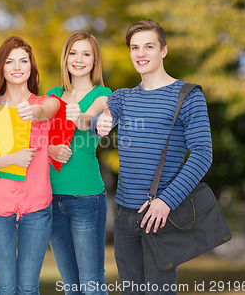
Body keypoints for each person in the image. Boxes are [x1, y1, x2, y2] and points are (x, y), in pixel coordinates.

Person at [91, 20, 213, 294]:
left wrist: (166, 202)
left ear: (164, 50)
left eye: (148, 46)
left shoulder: (188, 96)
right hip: (124, 215)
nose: (140, 53)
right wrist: (98, 123)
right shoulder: (123, 97)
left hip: (161, 215)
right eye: (135, 48)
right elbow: (101, 122)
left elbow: (203, 154)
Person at [0, 36, 60, 295]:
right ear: (1, 67)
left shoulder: (44, 104)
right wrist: (10, 159)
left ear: (31, 66)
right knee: (6, 288)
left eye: (23, 60)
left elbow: (51, 109)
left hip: (37, 205)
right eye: (10, 61)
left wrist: (36, 113)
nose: (17, 67)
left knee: (29, 288)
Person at [47, 31, 112, 295]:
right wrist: (51, 149)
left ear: (95, 60)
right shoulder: (52, 94)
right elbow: (38, 139)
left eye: (86, 54)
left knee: (92, 282)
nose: (79, 59)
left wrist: (80, 116)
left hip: (87, 198)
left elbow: (90, 121)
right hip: (51, 197)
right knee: (70, 285)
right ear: (65, 58)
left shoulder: (103, 94)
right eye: (73, 53)